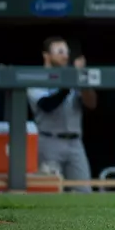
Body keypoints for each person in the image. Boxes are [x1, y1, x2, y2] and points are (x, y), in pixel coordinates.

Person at [27, 37, 97, 193]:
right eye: (59, 52)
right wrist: (70, 79)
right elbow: (47, 105)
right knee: (49, 191)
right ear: (46, 56)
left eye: (66, 52)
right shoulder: (35, 78)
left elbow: (91, 104)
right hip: (49, 141)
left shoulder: (73, 77)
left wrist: (83, 80)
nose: (65, 56)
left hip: (75, 142)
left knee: (84, 192)